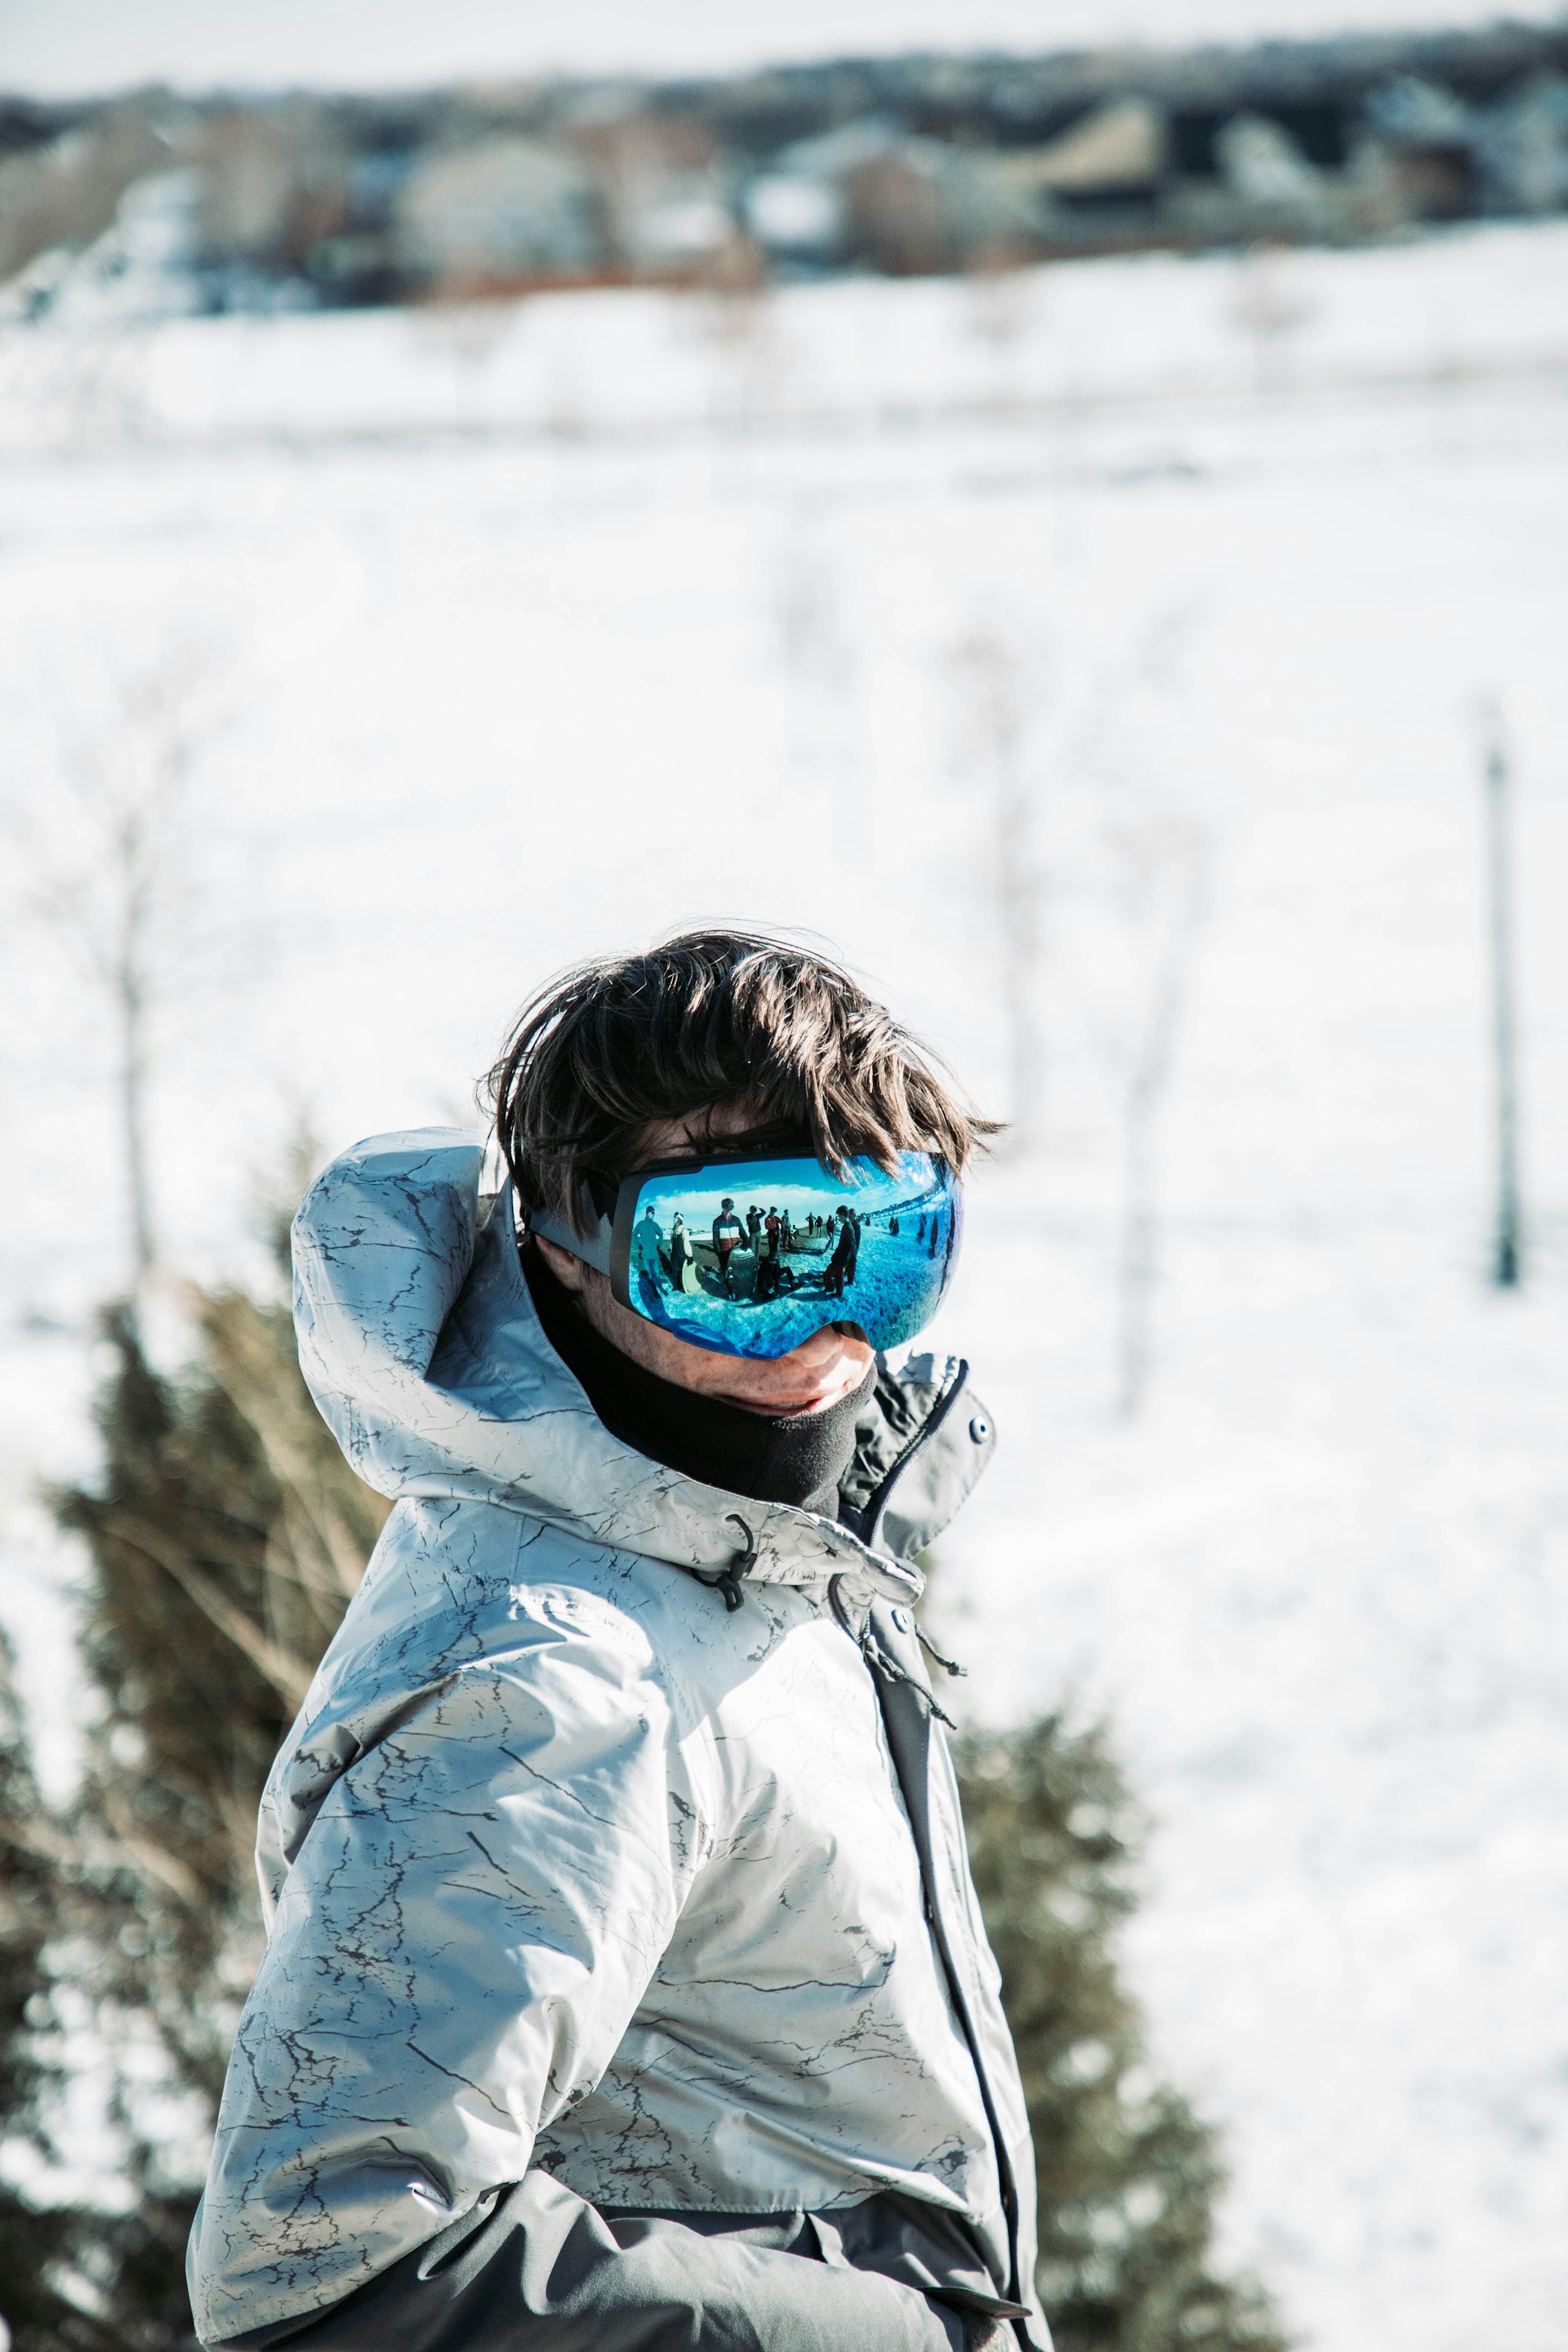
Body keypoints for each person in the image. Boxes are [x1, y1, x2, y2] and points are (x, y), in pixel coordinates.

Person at [187, 929, 1042, 2352]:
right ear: (570, 1252)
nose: (823, 1325)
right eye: (737, 1252)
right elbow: (327, 2279)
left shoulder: (754, 1562)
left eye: (889, 1245)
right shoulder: (553, 1679)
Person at [712, 1194, 746, 1294]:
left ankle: (738, 1287)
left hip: (735, 1251)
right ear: (723, 1207)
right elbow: (715, 1238)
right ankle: (731, 1291)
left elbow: (742, 1232)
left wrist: (746, 1241)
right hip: (724, 1252)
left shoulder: (736, 1219)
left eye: (731, 1207)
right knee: (727, 1272)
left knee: (737, 1271)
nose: (729, 1209)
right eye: (727, 1207)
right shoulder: (717, 1221)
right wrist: (718, 1251)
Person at [824, 1201, 859, 1298]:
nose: (838, 1218)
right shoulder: (846, 1226)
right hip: (842, 1257)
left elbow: (853, 1244)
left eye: (839, 1215)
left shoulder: (848, 1227)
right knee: (840, 1276)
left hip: (842, 1258)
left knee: (827, 1275)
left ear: (844, 1214)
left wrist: (853, 1259)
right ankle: (839, 1293)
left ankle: (830, 1288)